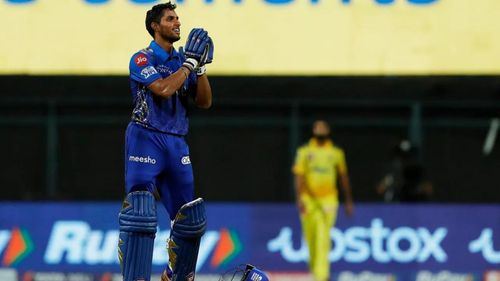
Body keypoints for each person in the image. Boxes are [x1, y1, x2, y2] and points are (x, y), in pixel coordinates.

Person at [117, 2, 214, 281]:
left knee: (190, 220)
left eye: (178, 18)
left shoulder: (185, 60)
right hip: (145, 137)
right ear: (155, 26)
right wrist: (188, 66)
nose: (177, 23)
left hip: (176, 142)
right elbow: (162, 89)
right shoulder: (142, 59)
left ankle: (175, 275)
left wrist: (202, 69)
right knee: (141, 213)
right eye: (170, 19)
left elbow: (204, 102)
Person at [292, 120, 354, 281]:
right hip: (308, 200)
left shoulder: (336, 153)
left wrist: (348, 200)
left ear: (328, 130)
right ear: (313, 130)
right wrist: (299, 198)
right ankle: (315, 272)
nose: (320, 129)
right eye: (317, 127)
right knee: (310, 238)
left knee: (323, 236)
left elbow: (343, 177)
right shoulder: (304, 152)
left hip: (328, 200)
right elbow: (299, 176)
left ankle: (321, 276)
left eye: (323, 127)